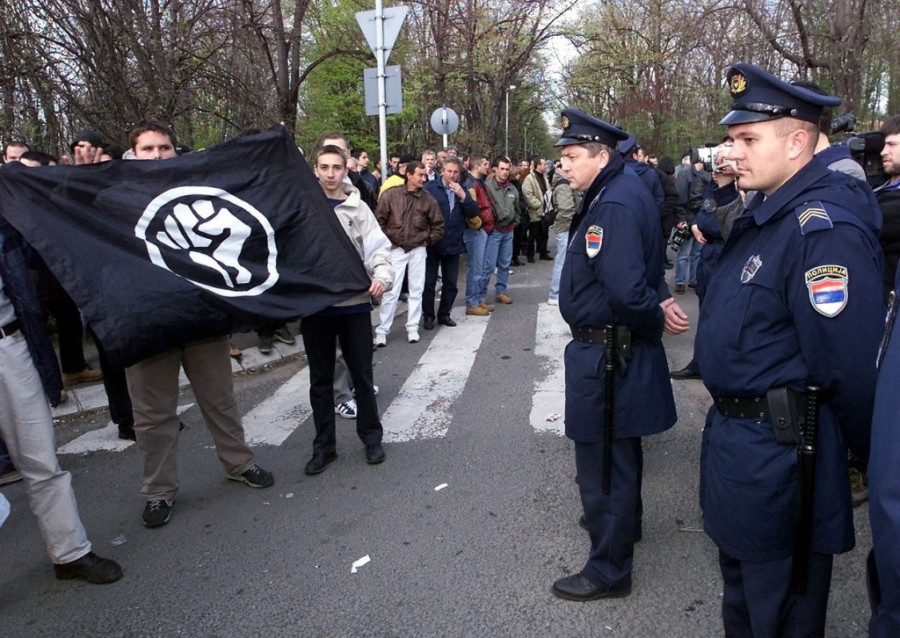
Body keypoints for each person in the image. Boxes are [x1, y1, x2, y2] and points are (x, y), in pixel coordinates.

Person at [695, 63, 884, 636]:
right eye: (731, 140)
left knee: (779, 612)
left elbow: (848, 368)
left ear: (799, 141)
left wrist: (865, 460)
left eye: (748, 140)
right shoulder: (767, 212)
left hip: (785, 457)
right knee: (747, 605)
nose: (734, 154)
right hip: (743, 450)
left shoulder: (820, 229)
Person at [550, 108, 684, 602]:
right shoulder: (618, 189)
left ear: (601, 155)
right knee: (619, 454)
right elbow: (642, 269)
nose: (563, 165)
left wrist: (650, 320)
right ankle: (623, 527)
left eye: (571, 156)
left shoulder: (613, 202)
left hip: (608, 352)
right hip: (610, 345)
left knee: (603, 464)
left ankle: (609, 569)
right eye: (562, 157)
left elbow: (628, 289)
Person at [125, 120, 274, 529]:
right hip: (147, 326)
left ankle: (238, 464)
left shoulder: (197, 189)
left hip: (200, 318)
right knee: (153, 416)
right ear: (132, 154)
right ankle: (159, 492)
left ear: (177, 151)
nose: (157, 156)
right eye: (148, 149)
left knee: (220, 399)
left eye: (164, 148)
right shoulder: (116, 198)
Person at [0, 216, 122, 583]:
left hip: (11, 347)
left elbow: (49, 248)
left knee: (39, 457)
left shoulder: (6, 217)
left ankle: (70, 553)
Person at [302, 145, 393, 474]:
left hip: (354, 306)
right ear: (315, 169)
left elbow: (377, 248)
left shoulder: (359, 208)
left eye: (336, 167)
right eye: (324, 167)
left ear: (345, 170)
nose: (330, 174)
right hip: (317, 307)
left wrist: (382, 276)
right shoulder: (305, 207)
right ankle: (324, 447)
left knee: (362, 376)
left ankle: (371, 438)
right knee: (321, 380)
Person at [373, 161, 444, 346]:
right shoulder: (391, 195)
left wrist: (426, 242)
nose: (423, 178)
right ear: (409, 175)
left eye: (425, 175)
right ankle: (382, 330)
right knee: (391, 290)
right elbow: (378, 221)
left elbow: (438, 225)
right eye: (420, 175)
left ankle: (412, 327)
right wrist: (389, 242)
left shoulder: (428, 199)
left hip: (418, 249)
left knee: (416, 289)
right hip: (395, 249)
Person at [422, 157, 479, 329]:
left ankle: (444, 314)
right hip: (433, 244)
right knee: (429, 283)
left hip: (454, 242)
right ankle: (428, 316)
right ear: (442, 171)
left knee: (451, 283)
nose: (452, 175)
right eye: (449, 171)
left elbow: (473, 212)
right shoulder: (430, 188)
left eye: (456, 172)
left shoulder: (462, 189)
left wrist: (463, 196)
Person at [481, 156, 518, 305]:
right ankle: (480, 294)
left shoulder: (512, 188)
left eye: (507, 169)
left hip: (508, 230)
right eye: (502, 169)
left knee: (504, 263)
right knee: (488, 265)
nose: (505, 172)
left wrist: (516, 220)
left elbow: (517, 207)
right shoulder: (487, 187)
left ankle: (501, 291)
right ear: (495, 169)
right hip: (494, 231)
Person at [462, 154, 495, 316]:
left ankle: (478, 299)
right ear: (476, 166)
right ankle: (472, 301)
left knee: (481, 267)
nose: (487, 166)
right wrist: (479, 226)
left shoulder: (479, 182)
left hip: (484, 229)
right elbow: (471, 210)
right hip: (476, 231)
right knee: (475, 268)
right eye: (484, 163)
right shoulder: (471, 184)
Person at [547, 161, 580, 305]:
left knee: (564, 260)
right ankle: (555, 294)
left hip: (565, 226)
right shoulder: (563, 185)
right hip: (566, 227)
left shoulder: (562, 183)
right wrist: (575, 221)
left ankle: (559, 292)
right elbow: (566, 209)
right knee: (562, 261)